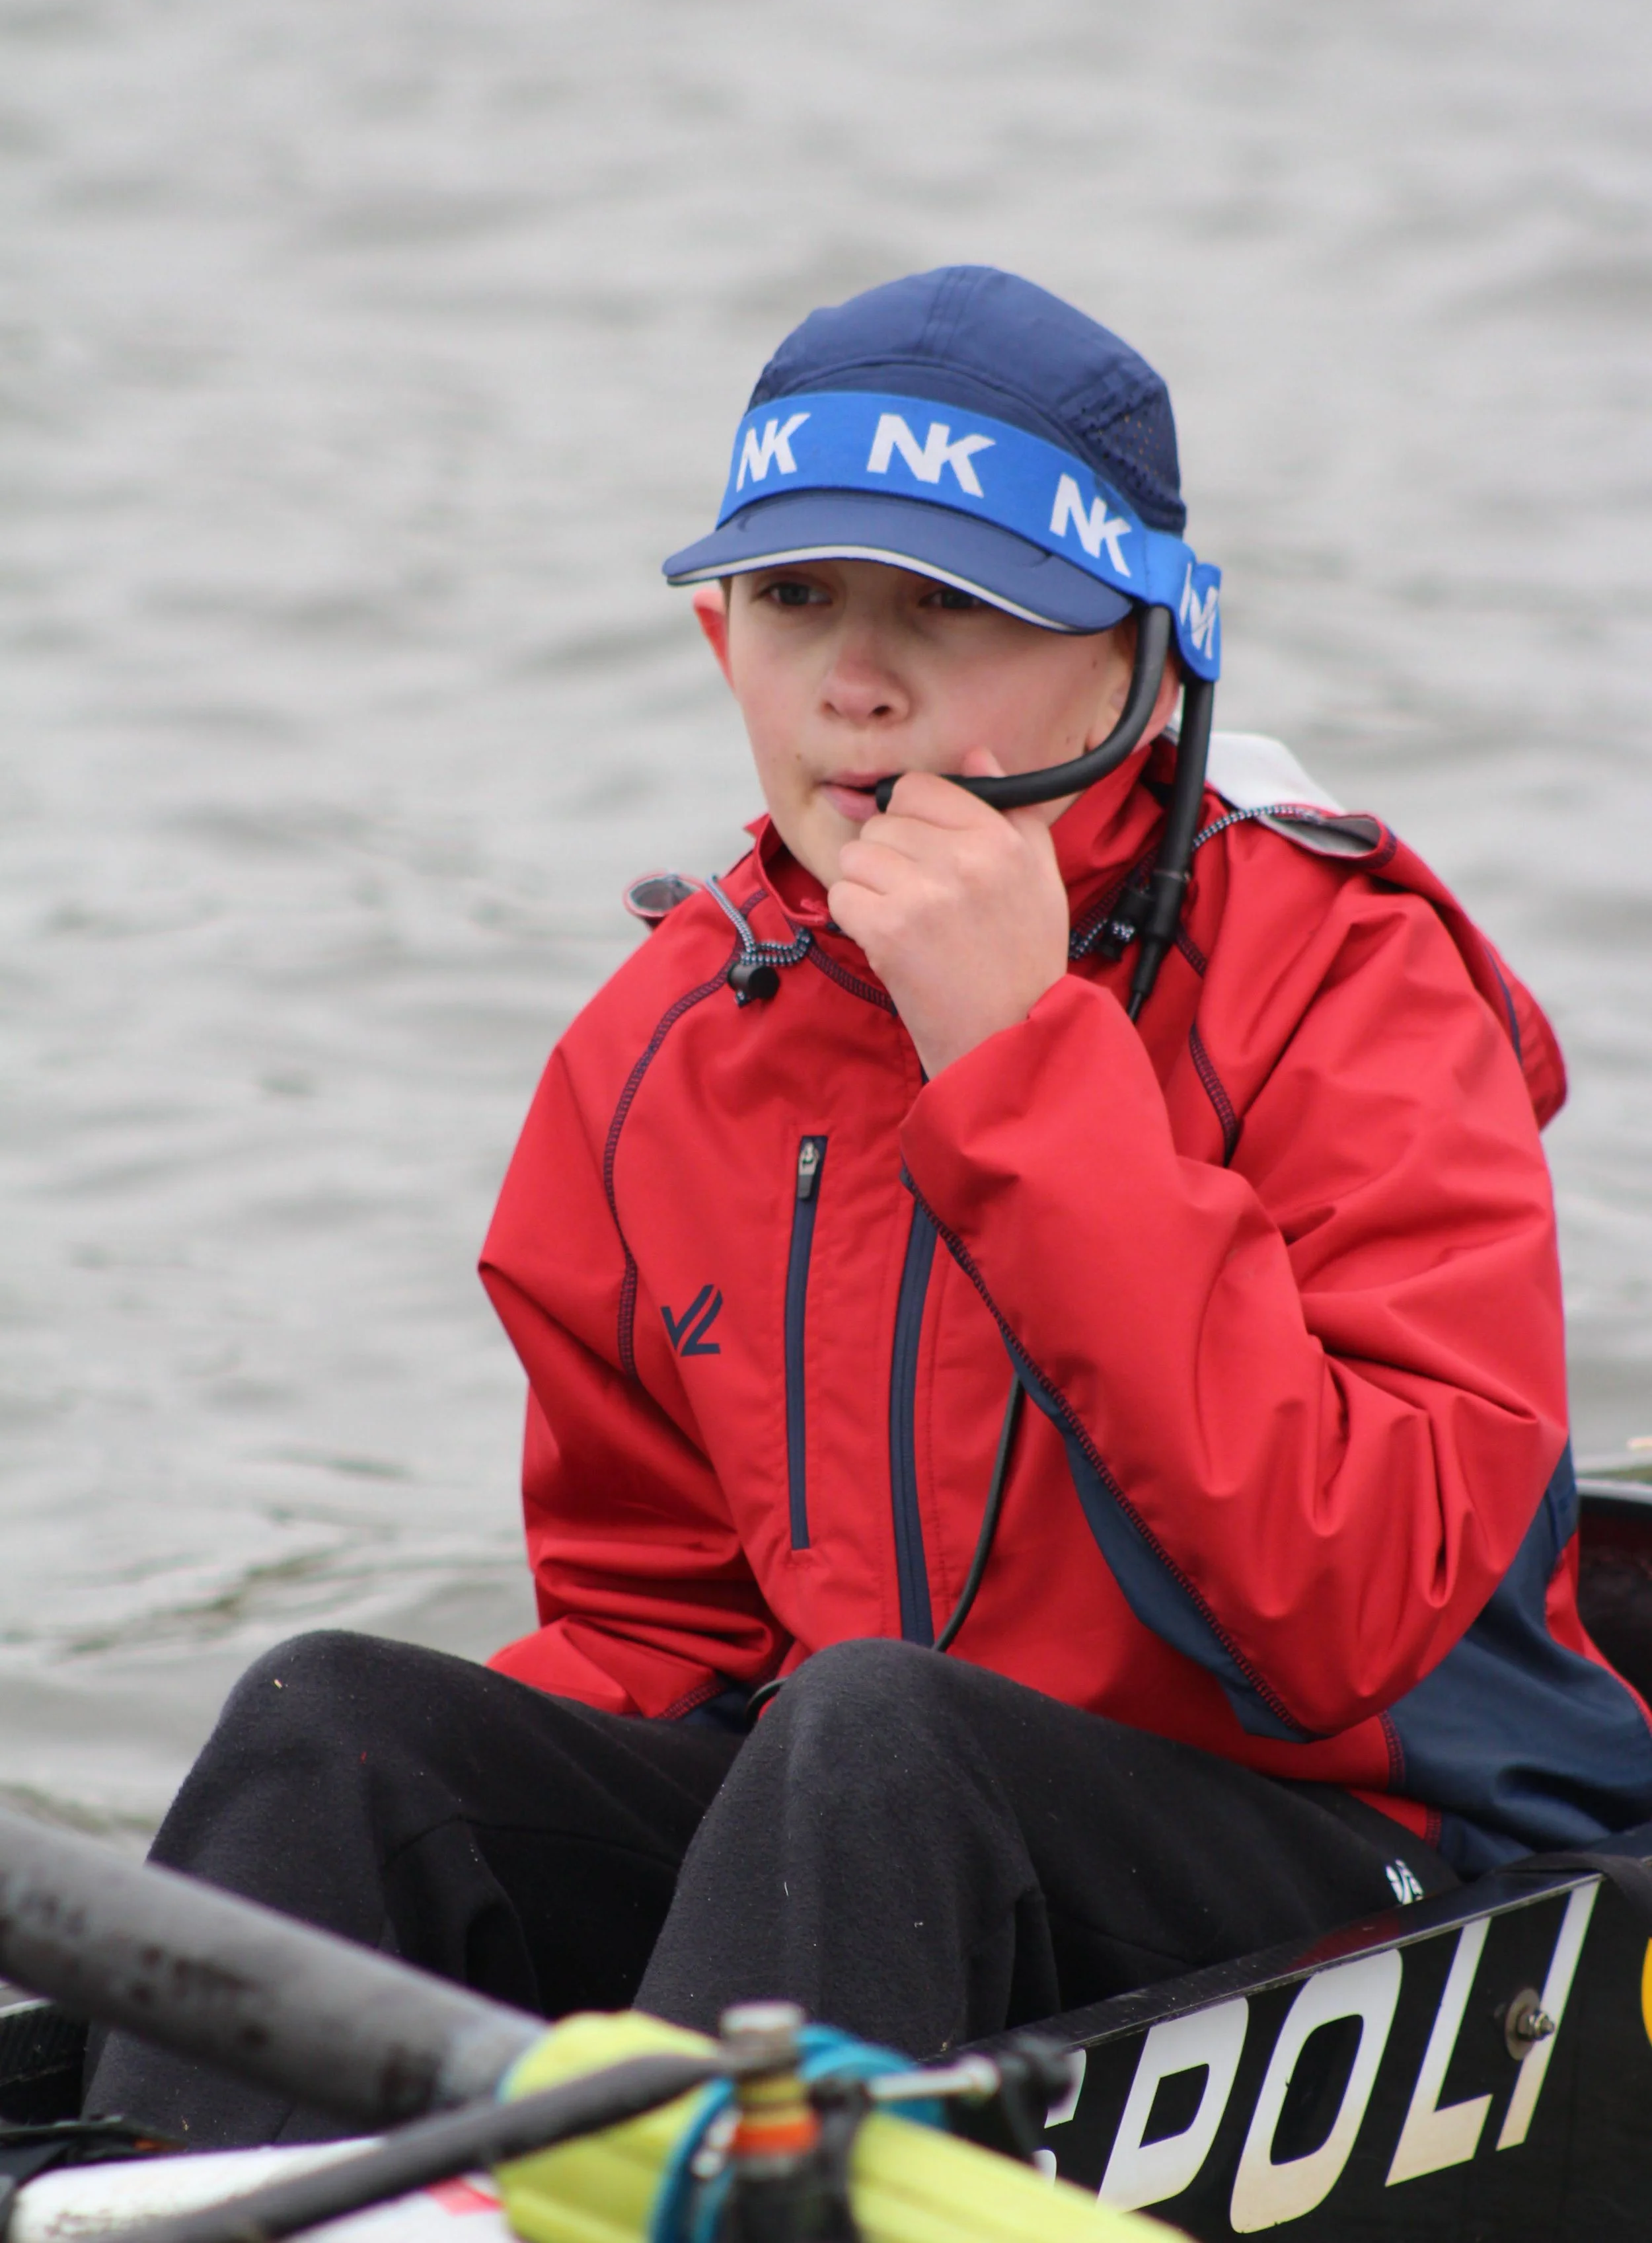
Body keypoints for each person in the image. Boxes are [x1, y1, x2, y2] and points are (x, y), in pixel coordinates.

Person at [88, 266, 1652, 2148]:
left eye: (950, 606)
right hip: (873, 1874)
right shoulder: (656, 1042)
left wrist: (1014, 1066)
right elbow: (655, 1641)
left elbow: (1353, 1607)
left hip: (1371, 1855)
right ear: (711, 633)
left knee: (877, 1728)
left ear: (1143, 663)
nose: (855, 678)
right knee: (334, 1721)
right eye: (798, 599)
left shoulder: (1356, 986)